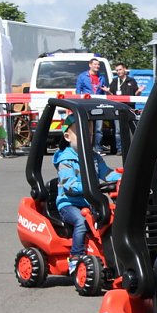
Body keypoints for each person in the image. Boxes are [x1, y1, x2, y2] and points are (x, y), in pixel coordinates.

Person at [54, 115, 120, 272]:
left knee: (112, 219)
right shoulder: (66, 160)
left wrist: (123, 178)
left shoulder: (94, 157)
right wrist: (90, 187)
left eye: (89, 134)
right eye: (81, 133)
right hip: (69, 204)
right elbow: (69, 185)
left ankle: (110, 256)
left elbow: (107, 174)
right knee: (81, 222)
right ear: (67, 136)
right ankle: (75, 258)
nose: (86, 137)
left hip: (90, 202)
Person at [75, 58, 109, 151]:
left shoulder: (102, 77)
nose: (97, 66)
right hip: (87, 105)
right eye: (95, 64)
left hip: (98, 105)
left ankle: (97, 148)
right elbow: (78, 91)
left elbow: (103, 92)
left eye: (98, 65)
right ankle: (86, 147)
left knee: (98, 129)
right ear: (90, 65)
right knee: (87, 128)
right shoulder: (82, 76)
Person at [107, 62, 141, 154]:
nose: (118, 72)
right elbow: (111, 95)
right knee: (118, 130)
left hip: (130, 108)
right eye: (117, 70)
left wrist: (139, 91)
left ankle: (134, 148)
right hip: (118, 108)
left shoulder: (132, 81)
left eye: (120, 69)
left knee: (132, 129)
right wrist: (107, 92)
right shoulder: (114, 82)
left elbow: (136, 94)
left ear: (124, 69)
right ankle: (120, 149)